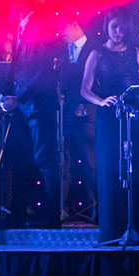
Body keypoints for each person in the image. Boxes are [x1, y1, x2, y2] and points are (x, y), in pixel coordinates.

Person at [80, 7, 139, 243]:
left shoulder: (135, 51)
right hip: (110, 117)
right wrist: (101, 101)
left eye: (122, 27)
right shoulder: (97, 54)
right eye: (114, 26)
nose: (118, 31)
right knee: (113, 167)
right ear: (107, 27)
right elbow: (84, 89)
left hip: (134, 115)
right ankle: (115, 226)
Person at [0, 10, 62, 228]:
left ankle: (52, 215)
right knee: (21, 161)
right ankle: (18, 214)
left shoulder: (42, 24)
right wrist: (5, 95)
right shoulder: (19, 28)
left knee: (45, 161)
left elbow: (43, 71)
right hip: (22, 106)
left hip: (39, 106)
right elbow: (17, 69)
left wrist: (19, 98)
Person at [57, 19, 96, 221]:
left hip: (88, 114)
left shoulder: (95, 48)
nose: (59, 33)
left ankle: (98, 209)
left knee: (91, 163)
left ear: (74, 24)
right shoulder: (60, 52)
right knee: (63, 161)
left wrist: (85, 104)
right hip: (64, 115)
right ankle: (61, 209)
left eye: (62, 27)